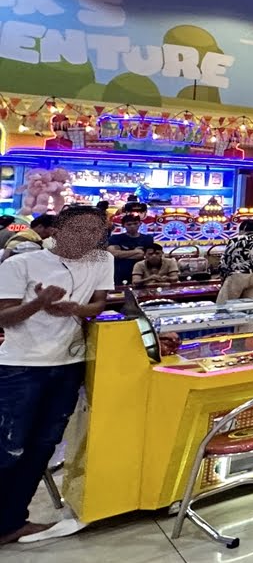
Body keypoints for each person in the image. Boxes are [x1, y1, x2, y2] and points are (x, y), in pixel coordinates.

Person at [0, 204, 113, 545]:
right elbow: (3, 317)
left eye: (94, 231)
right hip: (20, 366)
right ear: (58, 230)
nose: (87, 237)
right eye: (79, 229)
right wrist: (39, 304)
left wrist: (77, 309)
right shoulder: (21, 263)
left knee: (42, 446)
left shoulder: (102, 261)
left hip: (67, 365)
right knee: (8, 447)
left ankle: (11, 522)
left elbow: (99, 304)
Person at [218, 218, 253, 301]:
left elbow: (225, 261)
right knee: (249, 305)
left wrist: (222, 277)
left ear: (242, 229)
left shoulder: (235, 240)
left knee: (226, 304)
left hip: (238, 275)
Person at [106, 212, 157, 288]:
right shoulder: (116, 238)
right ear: (123, 225)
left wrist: (122, 254)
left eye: (135, 223)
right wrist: (136, 251)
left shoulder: (147, 239)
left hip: (142, 273)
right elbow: (112, 254)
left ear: (140, 224)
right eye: (129, 224)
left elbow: (144, 255)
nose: (132, 226)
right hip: (120, 272)